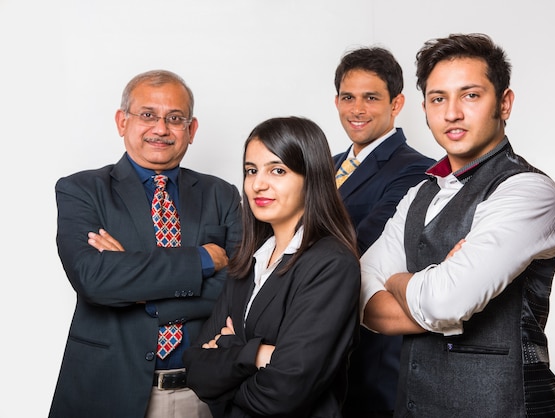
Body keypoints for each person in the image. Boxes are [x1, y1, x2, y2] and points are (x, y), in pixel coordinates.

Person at [360, 33, 555, 417]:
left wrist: (398, 279)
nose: (452, 113)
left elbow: (445, 301)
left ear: (504, 103)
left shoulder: (529, 192)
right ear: (424, 108)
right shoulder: (417, 194)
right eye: (438, 98)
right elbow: (360, 295)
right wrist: (440, 291)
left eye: (470, 95)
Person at [49, 70, 243, 418]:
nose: (161, 128)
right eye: (148, 115)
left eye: (175, 118)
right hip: (106, 390)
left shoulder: (222, 194)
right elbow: (95, 281)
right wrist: (201, 260)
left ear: (191, 129)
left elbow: (238, 289)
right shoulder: (81, 190)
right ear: (122, 121)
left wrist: (135, 280)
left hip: (200, 395)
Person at [183, 116, 361, 417]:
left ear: (312, 177)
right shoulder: (249, 259)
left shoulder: (331, 264)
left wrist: (230, 349)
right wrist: (256, 354)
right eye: (251, 171)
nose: (258, 184)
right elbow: (196, 369)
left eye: (277, 170)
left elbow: (283, 392)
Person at [332, 46, 435, 418]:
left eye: (371, 98)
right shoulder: (322, 167)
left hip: (371, 352)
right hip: (317, 349)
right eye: (348, 97)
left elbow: (359, 244)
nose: (357, 109)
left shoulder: (416, 170)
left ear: (396, 103)